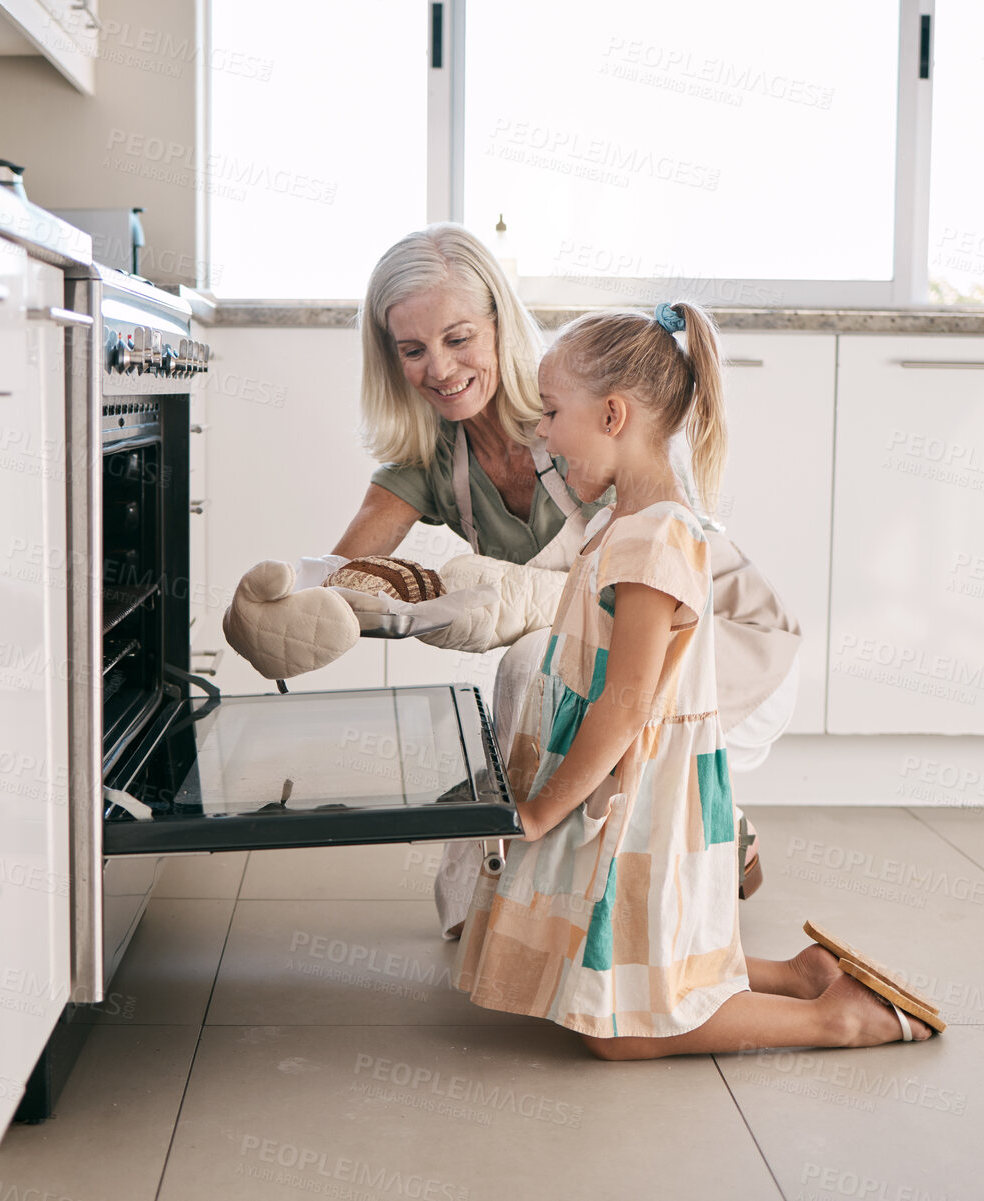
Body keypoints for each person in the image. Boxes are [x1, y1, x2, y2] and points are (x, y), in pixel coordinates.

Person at [220, 223, 803, 935]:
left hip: (727, 646)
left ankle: (686, 829)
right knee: (542, 679)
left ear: (500, 320)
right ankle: (533, 885)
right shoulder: (435, 457)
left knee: (534, 671)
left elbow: (652, 580)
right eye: (413, 349)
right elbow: (348, 574)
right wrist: (283, 604)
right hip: (614, 664)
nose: (439, 368)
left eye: (459, 337)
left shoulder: (579, 404)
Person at [451, 302, 936, 1056]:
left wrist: (544, 809)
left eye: (551, 413)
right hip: (630, 785)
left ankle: (833, 1018)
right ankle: (795, 974)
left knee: (621, 1033)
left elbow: (631, 700)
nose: (540, 433)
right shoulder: (626, 521)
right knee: (630, 962)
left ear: (613, 414)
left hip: (645, 794)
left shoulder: (654, 538)